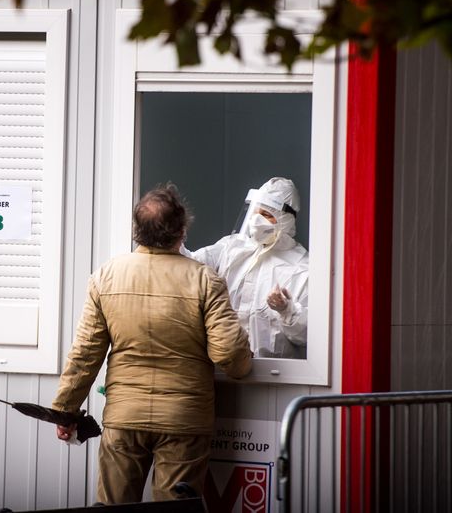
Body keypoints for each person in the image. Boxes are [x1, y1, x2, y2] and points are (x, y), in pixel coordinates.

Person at [52, 183, 252, 504]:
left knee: (114, 508)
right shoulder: (204, 280)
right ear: (181, 230)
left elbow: (85, 354)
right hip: (184, 421)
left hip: (123, 418)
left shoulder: (107, 276)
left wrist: (65, 412)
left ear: (137, 230)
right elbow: (230, 354)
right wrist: (244, 366)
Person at [184, 177, 309, 359]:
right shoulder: (232, 248)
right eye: (254, 213)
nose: (256, 220)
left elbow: (309, 336)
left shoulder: (301, 268)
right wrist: (173, 237)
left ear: (285, 220)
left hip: (275, 378)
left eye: (266, 215)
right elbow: (188, 265)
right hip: (223, 369)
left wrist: (287, 310)